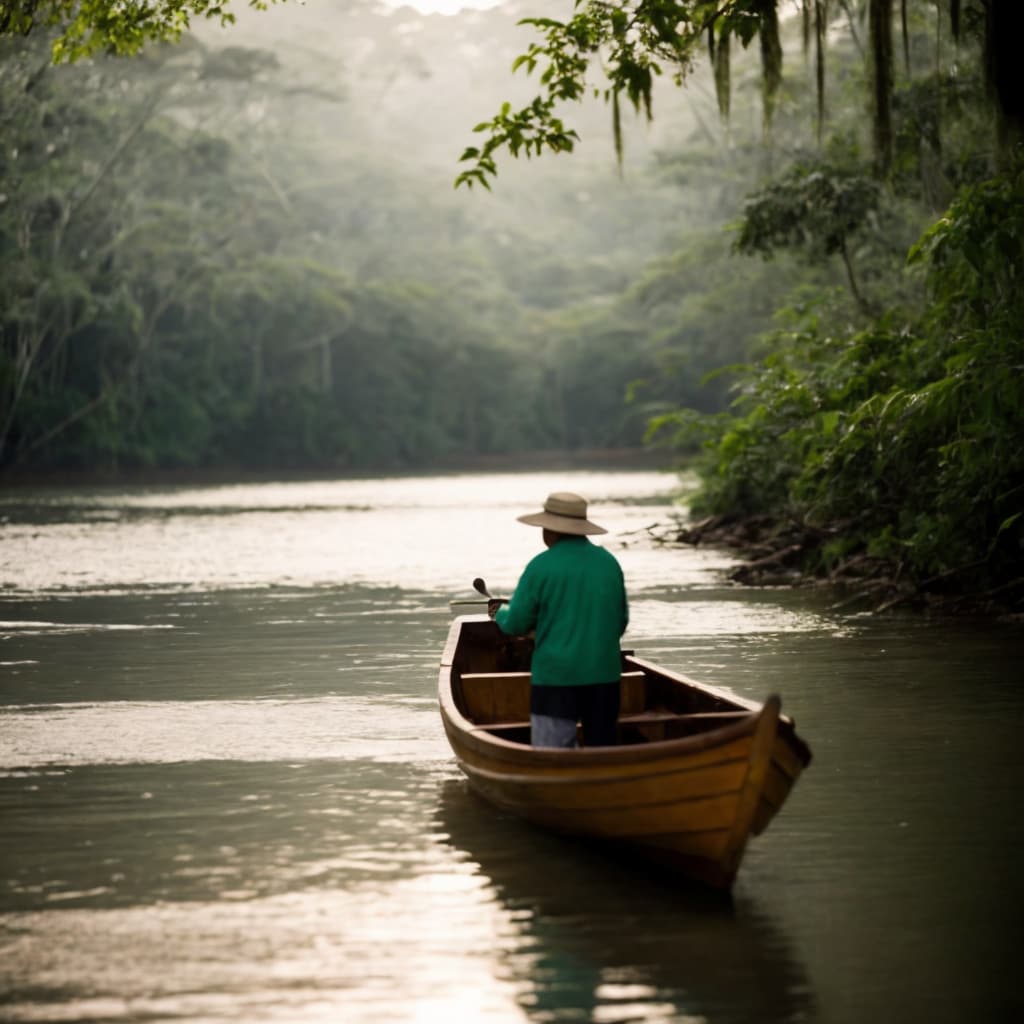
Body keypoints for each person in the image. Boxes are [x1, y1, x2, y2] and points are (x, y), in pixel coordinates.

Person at [488, 491, 628, 749]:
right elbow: (620, 623)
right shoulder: (609, 563)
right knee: (603, 751)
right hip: (605, 677)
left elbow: (516, 623)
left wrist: (500, 613)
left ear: (550, 531)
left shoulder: (541, 566)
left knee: (552, 753)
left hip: (556, 679)